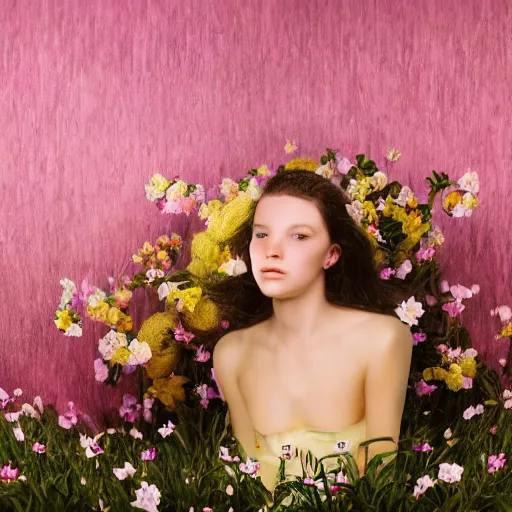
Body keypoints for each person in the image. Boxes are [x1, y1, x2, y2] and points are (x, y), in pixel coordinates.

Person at [212, 169, 413, 491]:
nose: (272, 250)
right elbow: (246, 472)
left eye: (299, 236)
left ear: (331, 255)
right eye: (261, 234)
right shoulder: (231, 353)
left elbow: (380, 466)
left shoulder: (382, 340)